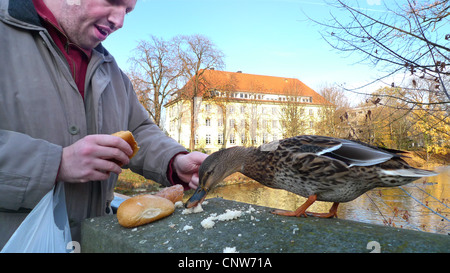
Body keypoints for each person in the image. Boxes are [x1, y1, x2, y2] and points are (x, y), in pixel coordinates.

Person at [0, 0, 207, 249]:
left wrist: (174, 161)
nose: (120, 22)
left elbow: (138, 130)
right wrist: (57, 163)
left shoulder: (112, 71)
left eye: (128, 11)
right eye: (113, 2)